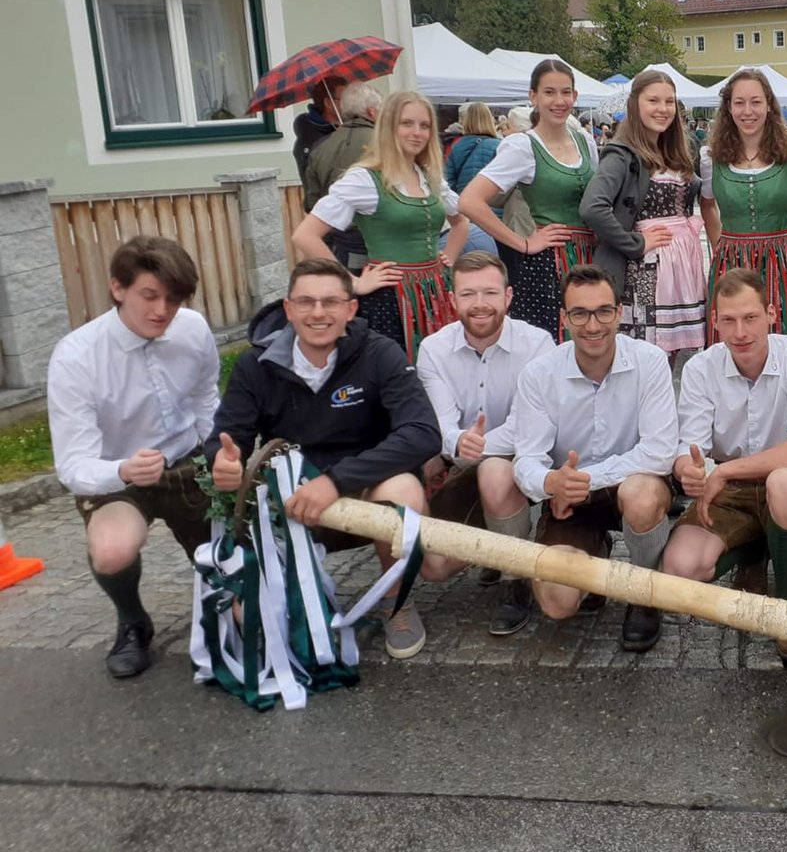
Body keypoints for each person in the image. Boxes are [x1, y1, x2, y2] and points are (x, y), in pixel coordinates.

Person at [207, 258, 449, 660]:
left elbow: (423, 433)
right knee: (251, 618)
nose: (318, 313)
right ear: (288, 309)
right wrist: (223, 461)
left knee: (404, 491)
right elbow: (228, 436)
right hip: (293, 492)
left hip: (370, 481)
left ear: (351, 309)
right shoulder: (255, 365)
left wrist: (336, 480)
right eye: (306, 302)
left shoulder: (381, 353)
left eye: (330, 302)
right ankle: (302, 603)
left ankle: (396, 602)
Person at [48, 237, 220, 679]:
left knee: (231, 570)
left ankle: (224, 607)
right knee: (111, 551)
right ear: (118, 288)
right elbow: (73, 465)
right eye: (149, 295)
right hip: (117, 476)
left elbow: (205, 397)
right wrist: (122, 470)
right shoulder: (75, 356)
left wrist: (217, 451)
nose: (162, 310)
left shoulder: (193, 328)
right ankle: (132, 622)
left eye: (174, 299)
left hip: (188, 461)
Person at [661, 270, 787, 662]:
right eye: (729, 320)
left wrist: (724, 471)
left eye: (750, 318)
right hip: (731, 490)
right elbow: (690, 447)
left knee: (785, 483)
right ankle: (758, 546)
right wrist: (688, 470)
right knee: (680, 569)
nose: (740, 332)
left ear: (771, 313)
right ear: (715, 321)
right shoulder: (701, 368)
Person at [510, 265, 679, 651]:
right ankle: (594, 556)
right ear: (564, 318)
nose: (593, 325)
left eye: (603, 311)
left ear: (619, 313)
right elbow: (527, 459)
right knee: (557, 602)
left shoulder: (650, 361)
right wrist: (550, 482)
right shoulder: (539, 374)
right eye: (580, 314)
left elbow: (659, 452)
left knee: (643, 496)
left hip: (629, 484)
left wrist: (585, 479)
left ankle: (645, 592)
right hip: (571, 497)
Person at [415, 251, 556, 634]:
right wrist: (458, 441)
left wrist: (469, 449)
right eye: (468, 294)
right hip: (464, 461)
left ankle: (515, 578)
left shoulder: (538, 344)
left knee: (495, 471)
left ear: (508, 296)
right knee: (434, 566)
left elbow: (525, 427)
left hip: (531, 459)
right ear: (453, 299)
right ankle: (496, 545)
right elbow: (443, 424)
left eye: (490, 293)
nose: (480, 304)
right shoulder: (433, 349)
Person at [293, 90, 467, 361]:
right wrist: (353, 282)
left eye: (424, 125)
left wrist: (449, 258)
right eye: (406, 123)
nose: (417, 132)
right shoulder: (365, 179)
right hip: (391, 298)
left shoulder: (428, 176)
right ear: (388, 127)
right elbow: (305, 236)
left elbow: (461, 221)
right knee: (397, 369)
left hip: (436, 293)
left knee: (440, 366)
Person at [458, 61, 598, 343]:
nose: (559, 101)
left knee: (589, 339)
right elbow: (470, 201)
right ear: (533, 96)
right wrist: (523, 243)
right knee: (552, 342)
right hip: (549, 265)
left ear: (575, 96)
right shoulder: (523, 146)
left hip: (591, 258)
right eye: (549, 92)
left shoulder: (585, 141)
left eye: (565, 92)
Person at [581, 70, 707, 355]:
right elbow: (592, 207)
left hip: (682, 266)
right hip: (647, 269)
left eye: (669, 101)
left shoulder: (674, 151)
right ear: (635, 104)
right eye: (653, 101)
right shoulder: (622, 154)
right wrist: (636, 243)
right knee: (646, 352)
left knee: (672, 355)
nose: (663, 109)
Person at [699, 69, 787, 342]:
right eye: (739, 103)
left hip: (782, 260)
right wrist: (719, 246)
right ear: (728, 108)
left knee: (783, 335)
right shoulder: (711, 157)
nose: (747, 111)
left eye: (755, 102)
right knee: (734, 337)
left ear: (768, 105)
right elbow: (707, 205)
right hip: (730, 261)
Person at [303, 81, 380, 272]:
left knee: (346, 288)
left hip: (339, 242)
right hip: (379, 243)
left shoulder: (319, 148)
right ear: (372, 111)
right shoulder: (385, 143)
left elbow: (312, 203)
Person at [443, 103, 504, 256]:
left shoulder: (456, 146)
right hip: (494, 214)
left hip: (465, 211)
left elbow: (448, 181)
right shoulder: (499, 146)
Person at [292, 76, 344, 180]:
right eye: (345, 99)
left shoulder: (348, 125)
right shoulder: (309, 138)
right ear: (328, 103)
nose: (351, 102)